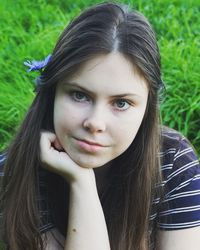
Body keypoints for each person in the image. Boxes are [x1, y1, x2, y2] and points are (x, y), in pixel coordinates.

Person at [0, 2, 200, 250]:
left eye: (122, 103)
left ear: (147, 108)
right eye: (79, 95)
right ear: (52, 93)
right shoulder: (14, 172)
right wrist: (81, 183)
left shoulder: (173, 164)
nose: (95, 122)